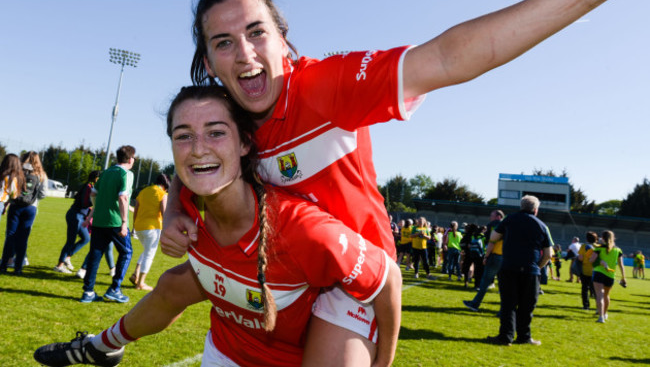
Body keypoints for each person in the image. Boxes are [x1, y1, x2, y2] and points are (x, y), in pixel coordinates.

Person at [163, 0, 650, 361]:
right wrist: (171, 214)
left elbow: (446, 57)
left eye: (256, 32)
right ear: (207, 61)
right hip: (282, 276)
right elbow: (188, 166)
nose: (245, 54)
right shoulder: (218, 121)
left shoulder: (325, 87)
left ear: (283, 39)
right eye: (224, 43)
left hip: (352, 279)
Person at [33, 85, 401, 367]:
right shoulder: (189, 211)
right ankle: (99, 348)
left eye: (216, 132)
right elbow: (168, 296)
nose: (197, 148)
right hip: (224, 354)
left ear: (244, 143)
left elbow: (387, 281)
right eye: (183, 136)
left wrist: (383, 362)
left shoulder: (301, 229)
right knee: (172, 285)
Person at [486, 195, 552, 346]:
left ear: (521, 206)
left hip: (509, 266)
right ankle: (524, 337)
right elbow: (548, 254)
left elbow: (494, 236)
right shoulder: (542, 226)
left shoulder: (509, 219)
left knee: (508, 304)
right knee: (527, 306)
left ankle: (505, 337)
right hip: (531, 270)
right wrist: (538, 266)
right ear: (536, 210)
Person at [80, 145, 135, 304]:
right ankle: (115, 289)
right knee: (126, 252)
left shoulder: (105, 173)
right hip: (115, 221)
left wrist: (93, 213)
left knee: (95, 256)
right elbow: (123, 198)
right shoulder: (125, 174)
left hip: (99, 221)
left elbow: (93, 194)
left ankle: (88, 292)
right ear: (131, 159)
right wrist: (124, 222)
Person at [0, 152, 47, 275]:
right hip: (31, 207)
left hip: (16, 206)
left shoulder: (18, 171)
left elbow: (12, 189)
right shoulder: (41, 174)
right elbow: (43, 194)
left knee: (10, 235)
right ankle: (18, 268)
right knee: (23, 238)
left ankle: (4, 265)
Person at [129, 173, 170, 290]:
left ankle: (135, 274)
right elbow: (164, 212)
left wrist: (134, 227)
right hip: (153, 227)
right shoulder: (162, 194)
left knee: (146, 251)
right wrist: (167, 228)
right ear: (165, 185)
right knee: (149, 254)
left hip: (139, 227)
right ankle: (140, 283)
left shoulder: (144, 191)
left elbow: (136, 209)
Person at [54, 171, 100, 274]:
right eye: (99, 178)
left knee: (86, 238)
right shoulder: (88, 187)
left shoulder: (91, 187)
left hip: (80, 216)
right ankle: (59, 265)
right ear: (96, 178)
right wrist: (95, 200)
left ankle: (67, 257)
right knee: (70, 241)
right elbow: (84, 203)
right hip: (75, 215)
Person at [464, 210, 504, 312]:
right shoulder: (509, 225)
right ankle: (504, 309)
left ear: (498, 216)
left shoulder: (494, 225)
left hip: (495, 255)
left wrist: (486, 256)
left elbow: (492, 241)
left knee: (485, 281)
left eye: (492, 215)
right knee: (503, 284)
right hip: (505, 257)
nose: (490, 217)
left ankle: (475, 303)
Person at [590, 230, 626, 323]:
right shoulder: (618, 250)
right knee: (606, 295)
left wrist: (600, 262)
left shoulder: (599, 248)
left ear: (602, 238)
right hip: (610, 275)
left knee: (599, 295)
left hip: (599, 273)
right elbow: (621, 265)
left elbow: (591, 260)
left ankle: (601, 317)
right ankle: (605, 314)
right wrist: (623, 277)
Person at [460, 223, 484, 289]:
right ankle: (477, 285)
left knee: (466, 268)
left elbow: (461, 244)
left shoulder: (467, 235)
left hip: (468, 254)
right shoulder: (480, 236)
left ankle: (466, 282)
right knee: (478, 270)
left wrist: (466, 247)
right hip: (478, 255)